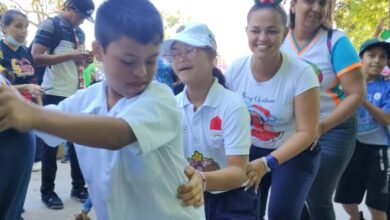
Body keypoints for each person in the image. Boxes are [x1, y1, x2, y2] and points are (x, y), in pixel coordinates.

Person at [0, 0, 205, 219]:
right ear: (98, 51)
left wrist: (30, 114)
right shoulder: (85, 100)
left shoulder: (159, 98)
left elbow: (117, 134)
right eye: (128, 61)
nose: (141, 72)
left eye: (151, 61)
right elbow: (48, 128)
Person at [224, 1, 321, 219]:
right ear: (246, 32)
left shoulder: (302, 74)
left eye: (271, 31)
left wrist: (267, 162)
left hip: (294, 152)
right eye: (255, 30)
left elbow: (308, 132)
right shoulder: (235, 70)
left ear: (285, 33)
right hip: (250, 149)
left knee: (281, 213)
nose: (262, 38)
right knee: (247, 211)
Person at [162, 22, 258, 219]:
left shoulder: (232, 105)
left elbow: (238, 171)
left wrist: (202, 179)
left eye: (189, 50)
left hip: (232, 199)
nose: (180, 58)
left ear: (212, 57)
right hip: (189, 196)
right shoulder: (171, 106)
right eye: (174, 53)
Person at [281, 0, 366, 219]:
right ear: (292, 5)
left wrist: (321, 126)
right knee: (293, 193)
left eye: (323, 3)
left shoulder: (336, 42)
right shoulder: (279, 37)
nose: (317, 8)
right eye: (309, 1)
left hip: (333, 128)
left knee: (317, 196)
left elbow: (356, 94)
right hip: (294, 129)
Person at [30, 0, 95, 209]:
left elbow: (75, 63)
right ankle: (47, 191)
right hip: (54, 92)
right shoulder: (51, 26)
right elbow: (36, 57)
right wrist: (72, 55)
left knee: (79, 143)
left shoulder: (80, 33)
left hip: (76, 93)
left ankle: (78, 186)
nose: (83, 21)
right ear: (69, 8)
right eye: (81, 16)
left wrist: (85, 60)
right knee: (50, 145)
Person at [334, 39, 390, 220]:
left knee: (377, 204)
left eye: (383, 57)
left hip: (378, 150)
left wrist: (361, 98)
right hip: (351, 147)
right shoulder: (344, 84)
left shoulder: (387, 86)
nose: (377, 60)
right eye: (371, 55)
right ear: (361, 58)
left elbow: (386, 118)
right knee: (346, 199)